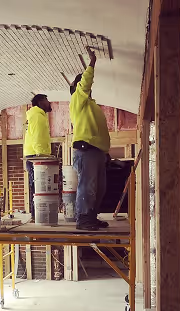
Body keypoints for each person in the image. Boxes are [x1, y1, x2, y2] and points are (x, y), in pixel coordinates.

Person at [69, 47, 110, 231]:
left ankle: (91, 217)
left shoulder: (91, 105)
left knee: (99, 188)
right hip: (86, 150)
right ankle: (83, 219)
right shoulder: (77, 99)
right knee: (88, 186)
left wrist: (104, 152)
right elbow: (84, 83)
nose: (88, 87)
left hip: (97, 151)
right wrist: (91, 63)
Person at [23, 94, 52, 220]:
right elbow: (37, 137)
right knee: (37, 187)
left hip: (35, 155)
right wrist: (42, 156)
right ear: (40, 102)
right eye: (46, 100)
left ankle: (38, 216)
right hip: (36, 156)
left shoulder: (38, 115)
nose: (48, 102)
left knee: (37, 186)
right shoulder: (37, 116)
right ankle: (36, 216)